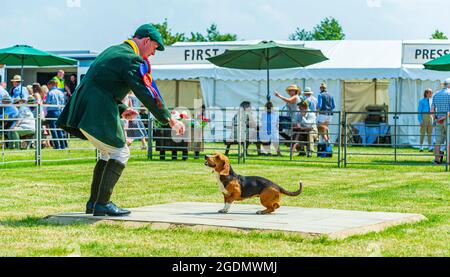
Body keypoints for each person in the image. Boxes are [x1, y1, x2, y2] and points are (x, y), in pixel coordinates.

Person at [56, 23, 185, 216]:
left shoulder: (113, 50)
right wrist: (169, 119)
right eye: (154, 48)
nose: (153, 53)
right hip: (97, 111)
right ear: (146, 41)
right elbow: (145, 93)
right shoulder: (130, 59)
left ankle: (94, 203)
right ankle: (102, 203)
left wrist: (122, 108)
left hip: (85, 108)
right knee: (120, 152)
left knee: (106, 154)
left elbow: (101, 84)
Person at [431, 79, 450, 165]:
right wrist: (444, 117)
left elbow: (432, 110)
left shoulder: (436, 94)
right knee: (449, 140)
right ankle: (448, 160)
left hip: (438, 120)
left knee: (438, 141)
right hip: (448, 119)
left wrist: (436, 118)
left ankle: (437, 160)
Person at [45, 79, 66, 149]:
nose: (48, 87)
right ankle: (63, 146)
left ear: (50, 85)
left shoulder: (50, 93)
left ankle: (57, 146)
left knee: (53, 130)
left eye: (48, 86)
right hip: (59, 112)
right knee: (59, 129)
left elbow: (48, 103)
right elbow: (63, 102)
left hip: (52, 112)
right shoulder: (60, 92)